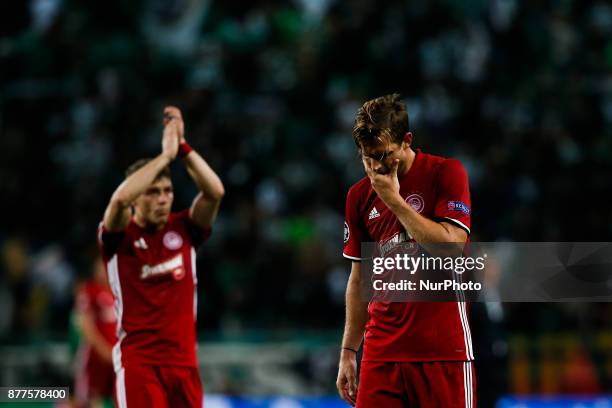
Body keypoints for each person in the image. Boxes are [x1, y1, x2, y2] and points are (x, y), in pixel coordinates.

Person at [336, 94, 475, 407]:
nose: (374, 166)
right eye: (365, 156)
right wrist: (348, 352)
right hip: (380, 354)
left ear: (406, 140)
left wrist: (395, 202)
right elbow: (359, 278)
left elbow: (452, 248)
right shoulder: (358, 196)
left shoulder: (446, 173)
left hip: (441, 351)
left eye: (382, 154)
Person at [97, 106, 224, 407]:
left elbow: (214, 192)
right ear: (137, 198)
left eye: (167, 191)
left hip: (184, 364)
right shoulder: (118, 237)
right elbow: (118, 200)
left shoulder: (184, 228)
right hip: (139, 365)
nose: (163, 198)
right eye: (153, 192)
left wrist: (181, 147)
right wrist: (164, 157)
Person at [73, 255, 116, 408]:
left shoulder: (118, 292)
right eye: (100, 265)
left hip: (116, 358)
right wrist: (105, 351)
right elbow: (85, 326)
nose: (102, 270)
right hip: (94, 358)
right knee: (85, 402)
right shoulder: (89, 291)